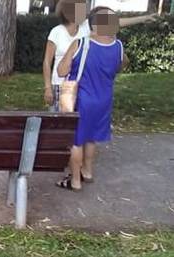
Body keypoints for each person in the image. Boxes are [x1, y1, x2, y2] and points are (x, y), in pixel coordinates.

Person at [55, 6, 127, 191]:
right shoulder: (118, 47)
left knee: (75, 140)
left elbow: (62, 71)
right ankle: (87, 171)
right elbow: (120, 65)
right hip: (104, 99)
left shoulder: (81, 44)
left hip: (82, 99)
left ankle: (75, 181)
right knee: (91, 137)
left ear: (93, 26)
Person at [43, 0, 156, 111]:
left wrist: (143, 18)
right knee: (58, 123)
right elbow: (47, 62)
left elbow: (116, 22)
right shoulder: (56, 32)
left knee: (76, 124)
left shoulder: (86, 27)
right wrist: (48, 88)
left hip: (81, 87)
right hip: (59, 84)